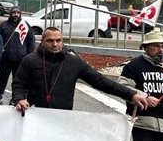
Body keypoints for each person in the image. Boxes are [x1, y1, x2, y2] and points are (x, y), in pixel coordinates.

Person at [12, 27, 148, 112]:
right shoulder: (30, 60)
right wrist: (19, 99)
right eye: (50, 41)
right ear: (42, 42)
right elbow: (18, 84)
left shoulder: (73, 62)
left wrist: (130, 94)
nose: (55, 44)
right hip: (35, 116)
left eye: (58, 40)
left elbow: (100, 81)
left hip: (63, 118)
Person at [0, 6, 35, 105]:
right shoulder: (3, 25)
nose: (16, 14)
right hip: (6, 58)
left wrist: (28, 56)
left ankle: (15, 98)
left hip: (21, 59)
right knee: (3, 78)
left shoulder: (25, 26)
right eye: (14, 12)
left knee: (18, 81)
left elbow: (31, 41)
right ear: (10, 13)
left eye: (18, 12)